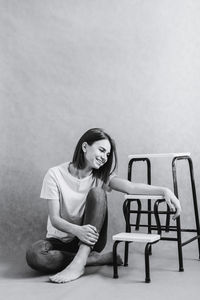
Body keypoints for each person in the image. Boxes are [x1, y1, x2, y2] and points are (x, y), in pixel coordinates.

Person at [26, 128, 181, 284]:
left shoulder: (100, 177)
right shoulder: (55, 174)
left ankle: (80, 261)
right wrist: (78, 231)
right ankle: (93, 259)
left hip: (91, 238)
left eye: (107, 155)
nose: (105, 158)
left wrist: (164, 190)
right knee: (34, 255)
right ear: (85, 146)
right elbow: (55, 219)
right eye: (101, 150)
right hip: (62, 239)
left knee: (98, 193)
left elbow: (131, 187)